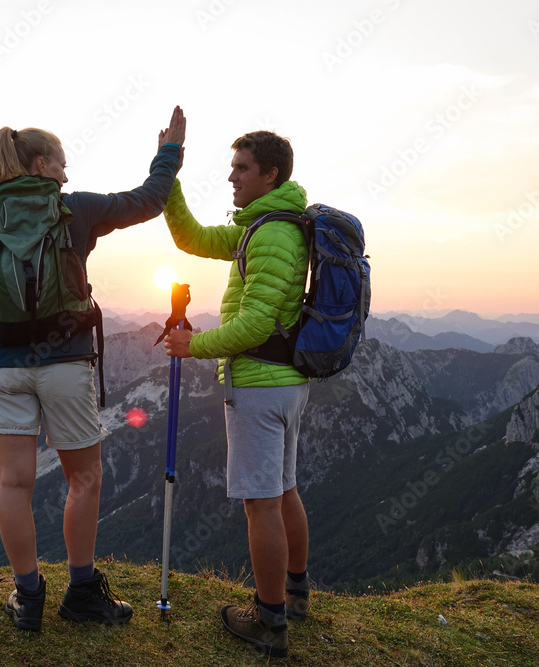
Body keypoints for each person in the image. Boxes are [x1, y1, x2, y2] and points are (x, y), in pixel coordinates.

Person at [0, 106, 186, 631]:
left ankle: (27, 596)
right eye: (61, 164)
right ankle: (81, 593)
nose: (66, 174)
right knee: (85, 477)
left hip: (3, 367)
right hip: (64, 363)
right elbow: (148, 200)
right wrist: (170, 153)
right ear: (39, 164)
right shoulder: (73, 209)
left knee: (14, 484)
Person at [163, 130, 310, 657]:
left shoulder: (271, 236)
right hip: (285, 384)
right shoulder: (264, 227)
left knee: (260, 505)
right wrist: (170, 172)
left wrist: (192, 345)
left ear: (270, 174)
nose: (231, 176)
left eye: (241, 168)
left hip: (260, 386)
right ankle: (294, 595)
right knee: (284, 489)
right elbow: (193, 239)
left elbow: (254, 325)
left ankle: (269, 622)